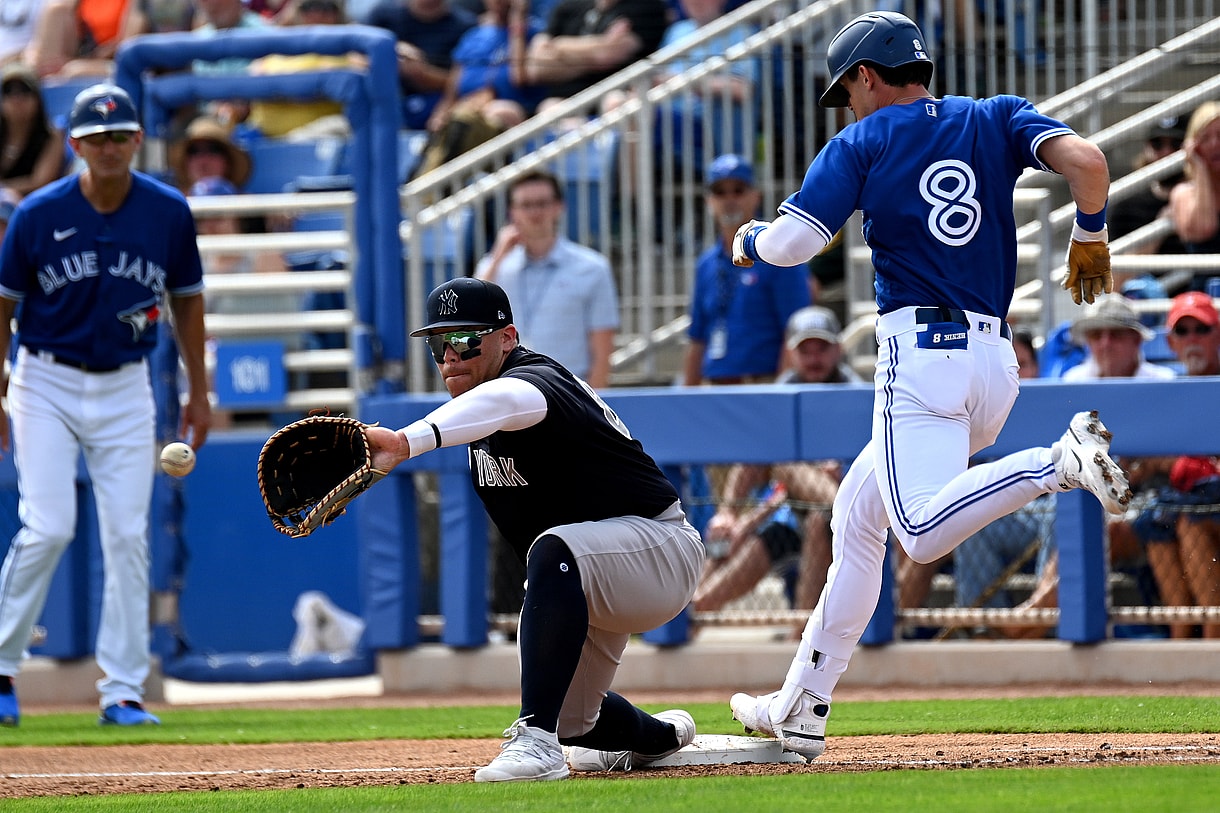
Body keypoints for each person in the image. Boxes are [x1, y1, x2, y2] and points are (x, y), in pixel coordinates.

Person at [725, 11, 1129, 761]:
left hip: (919, 357)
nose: (848, 102)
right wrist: (1090, 233)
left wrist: (747, 240)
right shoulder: (995, 115)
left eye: (848, 87)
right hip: (993, 365)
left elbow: (793, 244)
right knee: (856, 520)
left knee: (917, 531)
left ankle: (1058, 463)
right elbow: (1091, 163)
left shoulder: (864, 138)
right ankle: (802, 703)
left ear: (869, 75)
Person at [364, 277, 703, 781]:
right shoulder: (478, 411)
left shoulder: (533, 381)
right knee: (577, 723)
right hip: (590, 567)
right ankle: (663, 737)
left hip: (659, 550)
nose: (451, 357)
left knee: (552, 548)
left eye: (466, 339)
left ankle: (535, 743)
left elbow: (507, 401)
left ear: (507, 338)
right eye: (439, 345)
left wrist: (405, 443)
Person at [0, 84, 211, 727]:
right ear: (75, 145)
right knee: (50, 525)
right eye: (97, 138)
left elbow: (188, 300)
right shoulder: (38, 213)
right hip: (44, 379)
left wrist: (200, 389)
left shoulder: (168, 212)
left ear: (138, 141)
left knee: (127, 536)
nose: (110, 147)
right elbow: (3, 306)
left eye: (120, 136)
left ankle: (122, 689)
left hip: (126, 383)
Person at [692, 306, 860, 625]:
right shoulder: (783, 391)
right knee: (727, 532)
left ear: (837, 349)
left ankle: (802, 638)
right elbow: (754, 462)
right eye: (805, 350)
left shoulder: (856, 391)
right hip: (792, 512)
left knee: (808, 509)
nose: (814, 359)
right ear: (791, 353)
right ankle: (690, 608)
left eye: (822, 349)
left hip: (847, 514)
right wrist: (730, 514)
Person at [474, 169, 619, 389]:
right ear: (512, 212)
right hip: (507, 392)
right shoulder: (496, 265)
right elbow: (471, 316)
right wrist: (498, 253)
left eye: (542, 203)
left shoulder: (592, 268)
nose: (535, 213)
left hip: (567, 393)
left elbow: (602, 351)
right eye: (526, 205)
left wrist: (590, 408)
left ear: (559, 206)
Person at [1132, 292, 1220, 638]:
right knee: (1156, 522)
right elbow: (1146, 464)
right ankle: (1180, 638)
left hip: (1206, 507)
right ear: (1170, 343)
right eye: (1183, 332)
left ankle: (1212, 638)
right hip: (1187, 502)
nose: (1192, 339)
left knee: (1190, 521)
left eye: (1201, 329)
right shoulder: (1172, 392)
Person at [682, 154, 811, 386]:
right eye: (720, 192)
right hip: (715, 387)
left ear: (755, 196)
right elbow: (697, 338)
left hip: (762, 384)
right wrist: (686, 398)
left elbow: (794, 333)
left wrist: (780, 392)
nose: (729, 199)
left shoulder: (778, 254)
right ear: (709, 201)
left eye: (738, 190)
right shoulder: (706, 264)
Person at [524, 0, 669, 112]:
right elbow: (536, 69)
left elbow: (607, 55)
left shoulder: (646, 7)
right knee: (550, 110)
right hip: (566, 98)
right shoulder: (568, 7)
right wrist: (599, 47)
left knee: (618, 104)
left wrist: (556, 47)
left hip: (614, 91)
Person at [366, 0, 477, 130]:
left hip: (435, 104)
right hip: (383, 100)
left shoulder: (466, 26)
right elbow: (354, 56)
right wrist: (389, 51)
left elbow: (468, 80)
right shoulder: (383, 16)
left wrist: (424, 74)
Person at [1107, 114, 1186, 260]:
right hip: (1140, 281)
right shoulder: (1127, 204)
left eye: (1176, 144)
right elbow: (1113, 274)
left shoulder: (1206, 199)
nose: (1166, 153)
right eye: (1157, 144)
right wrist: (1160, 228)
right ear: (1146, 148)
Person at [0, 63, 65, 198]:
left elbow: (40, 182)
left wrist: (5, 191)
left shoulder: (52, 135)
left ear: (38, 99)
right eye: (9, 91)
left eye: (25, 91)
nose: (17, 99)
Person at [1169, 101, 1220, 259]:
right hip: (1206, 281)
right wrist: (1200, 170)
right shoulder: (1183, 193)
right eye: (1205, 138)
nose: (1214, 144)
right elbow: (1204, 229)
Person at [167, 115, 253, 194]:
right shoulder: (175, 206)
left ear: (228, 161)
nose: (203, 159)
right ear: (185, 162)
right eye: (193, 151)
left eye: (213, 149)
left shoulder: (252, 206)